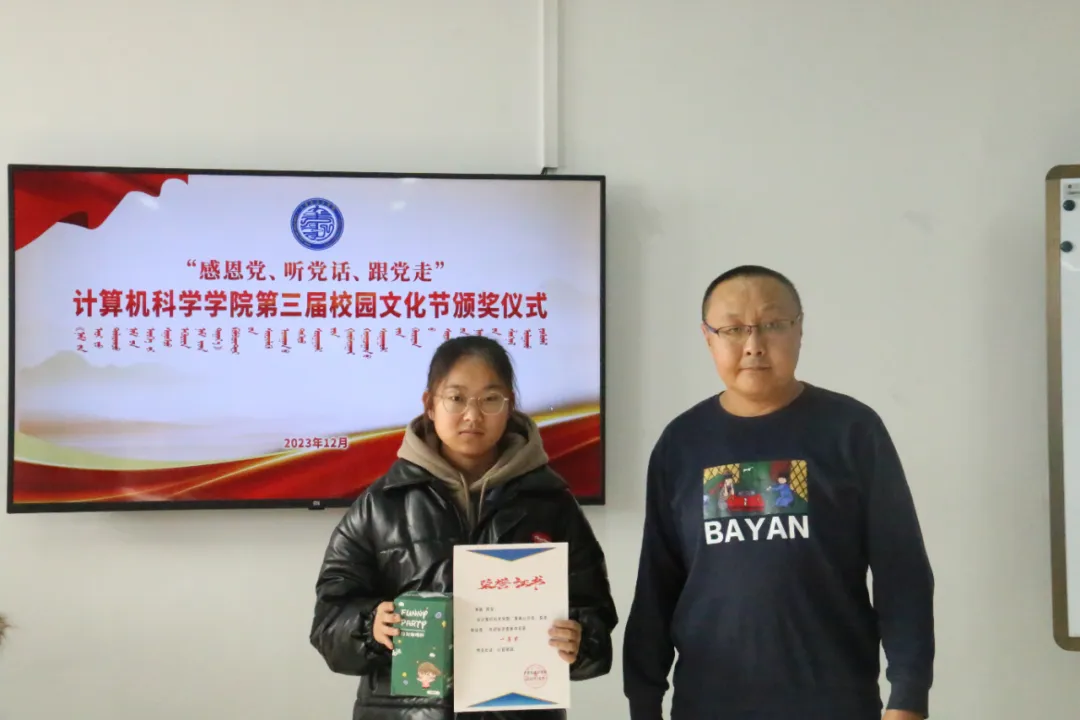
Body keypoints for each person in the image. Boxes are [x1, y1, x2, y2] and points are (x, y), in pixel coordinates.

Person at [623, 265, 935, 720]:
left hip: (835, 703)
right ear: (708, 338)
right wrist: (644, 701)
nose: (753, 344)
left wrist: (908, 696)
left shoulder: (852, 430)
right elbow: (656, 583)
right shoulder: (681, 443)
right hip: (708, 704)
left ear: (799, 330)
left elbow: (901, 572)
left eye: (772, 324)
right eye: (733, 329)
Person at [311, 335, 618, 720]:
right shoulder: (381, 504)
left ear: (509, 405)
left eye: (490, 399)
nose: (472, 415)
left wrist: (580, 641)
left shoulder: (551, 503)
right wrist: (371, 627)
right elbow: (328, 621)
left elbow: (596, 614)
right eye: (456, 398)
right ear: (430, 405)